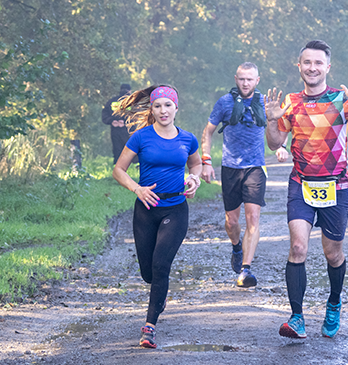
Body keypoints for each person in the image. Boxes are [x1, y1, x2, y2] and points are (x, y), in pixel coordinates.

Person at [264, 40, 348, 339]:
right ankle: (297, 318)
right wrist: (271, 120)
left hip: (336, 186)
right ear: (299, 66)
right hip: (301, 184)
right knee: (298, 248)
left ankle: (333, 303)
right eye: (307, 62)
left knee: (333, 254)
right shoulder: (290, 103)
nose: (312, 68)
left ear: (327, 67)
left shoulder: (341, 100)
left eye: (318, 63)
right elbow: (275, 144)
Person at [113, 85, 202, 349]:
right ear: (151, 109)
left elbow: (195, 163)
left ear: (176, 108)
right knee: (149, 273)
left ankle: (149, 327)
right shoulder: (141, 137)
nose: (163, 110)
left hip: (176, 206)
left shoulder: (187, 139)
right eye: (157, 106)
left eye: (168, 105)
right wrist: (137, 189)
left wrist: (194, 178)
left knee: (161, 265)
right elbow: (119, 170)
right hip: (146, 209)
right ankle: (158, 290)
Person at [201, 62, 268, 288]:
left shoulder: (265, 103)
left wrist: (281, 147)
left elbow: (281, 128)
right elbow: (208, 131)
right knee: (231, 221)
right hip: (230, 168)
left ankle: (245, 270)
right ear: (235, 79)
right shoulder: (224, 103)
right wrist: (206, 160)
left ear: (257, 81)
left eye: (250, 79)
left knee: (253, 218)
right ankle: (236, 246)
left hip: (256, 168)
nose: (245, 83)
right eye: (241, 79)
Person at [102, 83, 133, 164]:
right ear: (129, 91)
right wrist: (125, 122)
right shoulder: (132, 102)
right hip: (129, 130)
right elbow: (137, 116)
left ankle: (117, 168)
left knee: (117, 150)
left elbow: (104, 115)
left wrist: (112, 121)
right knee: (131, 150)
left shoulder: (112, 101)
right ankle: (132, 167)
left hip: (115, 130)